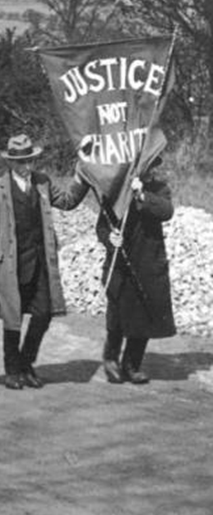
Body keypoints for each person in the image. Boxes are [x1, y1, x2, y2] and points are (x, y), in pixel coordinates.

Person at [0, 134, 88, 390]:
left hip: (40, 263)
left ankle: (26, 363)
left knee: (43, 315)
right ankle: (12, 371)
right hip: (10, 264)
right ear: (10, 163)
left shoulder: (43, 183)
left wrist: (82, 175)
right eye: (20, 162)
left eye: (29, 161)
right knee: (12, 318)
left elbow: (67, 201)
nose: (26, 166)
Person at [97, 157, 176, 385]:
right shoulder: (114, 192)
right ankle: (110, 360)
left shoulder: (159, 189)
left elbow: (166, 211)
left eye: (151, 166)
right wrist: (109, 238)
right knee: (118, 315)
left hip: (149, 263)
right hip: (120, 262)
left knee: (144, 314)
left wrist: (142, 194)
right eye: (144, 166)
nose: (148, 170)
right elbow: (101, 226)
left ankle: (132, 365)